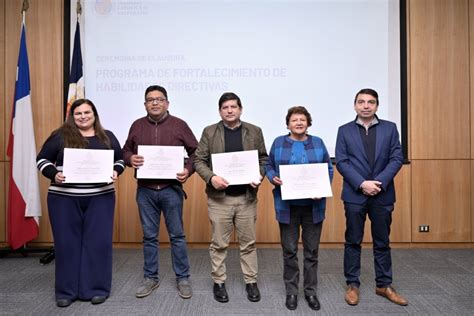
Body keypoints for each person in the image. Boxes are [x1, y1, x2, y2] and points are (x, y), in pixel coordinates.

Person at [36, 99, 125, 307]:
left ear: (94, 114)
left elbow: (120, 160)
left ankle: (96, 289)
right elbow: (42, 160)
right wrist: (53, 175)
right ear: (72, 116)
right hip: (63, 200)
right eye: (78, 113)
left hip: (100, 198)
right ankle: (66, 291)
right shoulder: (60, 136)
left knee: (98, 243)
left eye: (87, 112)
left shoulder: (107, 136)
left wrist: (115, 171)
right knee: (67, 244)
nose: (83, 117)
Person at [122, 85, 198, 299]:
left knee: (177, 236)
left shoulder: (179, 125)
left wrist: (188, 169)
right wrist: (130, 159)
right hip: (145, 191)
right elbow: (125, 150)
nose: (154, 103)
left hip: (171, 190)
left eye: (159, 99)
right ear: (145, 104)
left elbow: (196, 151)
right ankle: (150, 278)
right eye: (150, 99)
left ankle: (183, 278)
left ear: (167, 103)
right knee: (149, 237)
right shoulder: (137, 125)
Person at [335, 88, 407, 306]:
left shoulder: (390, 128)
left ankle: (384, 285)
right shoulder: (344, 130)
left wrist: (379, 183)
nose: (366, 106)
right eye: (361, 102)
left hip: (382, 194)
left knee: (382, 242)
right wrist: (362, 183)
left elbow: (396, 157)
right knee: (353, 240)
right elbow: (342, 161)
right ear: (355, 105)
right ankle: (352, 284)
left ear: (377, 105)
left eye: (371, 102)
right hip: (355, 195)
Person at [194, 92, 267, 303]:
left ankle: (251, 282)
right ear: (220, 111)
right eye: (225, 107)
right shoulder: (209, 132)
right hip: (219, 199)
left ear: (240, 109)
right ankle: (219, 282)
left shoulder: (254, 131)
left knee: (248, 244)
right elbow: (199, 160)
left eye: (233, 107)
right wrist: (211, 178)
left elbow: (263, 158)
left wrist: (259, 175)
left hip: (246, 198)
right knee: (219, 244)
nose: (229, 110)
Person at [265, 106, 333, 311]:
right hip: (288, 207)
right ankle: (292, 292)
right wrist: (271, 177)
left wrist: (322, 187)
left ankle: (311, 292)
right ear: (288, 124)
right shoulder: (278, 142)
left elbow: (328, 167)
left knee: (312, 252)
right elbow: (268, 166)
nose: (299, 123)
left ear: (308, 122)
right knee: (290, 251)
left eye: (302, 119)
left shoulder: (318, 142)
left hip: (314, 207)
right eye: (294, 120)